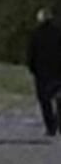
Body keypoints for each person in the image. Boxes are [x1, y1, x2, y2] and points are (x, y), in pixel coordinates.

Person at [26, 8, 61, 137]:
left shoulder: (35, 34)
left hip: (41, 73)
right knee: (59, 98)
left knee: (44, 101)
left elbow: (30, 54)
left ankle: (50, 127)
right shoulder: (58, 32)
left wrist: (32, 68)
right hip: (58, 71)